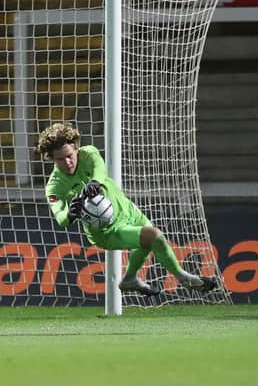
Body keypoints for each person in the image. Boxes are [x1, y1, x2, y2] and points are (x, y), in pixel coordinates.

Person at [36, 122, 217, 296]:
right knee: (154, 236)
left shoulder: (88, 153)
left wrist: (95, 183)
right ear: (51, 159)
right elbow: (60, 217)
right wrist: (69, 214)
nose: (67, 162)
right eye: (60, 159)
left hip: (128, 210)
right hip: (108, 230)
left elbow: (100, 171)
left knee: (147, 243)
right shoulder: (55, 186)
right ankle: (183, 278)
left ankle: (130, 279)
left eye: (69, 155)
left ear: (76, 148)